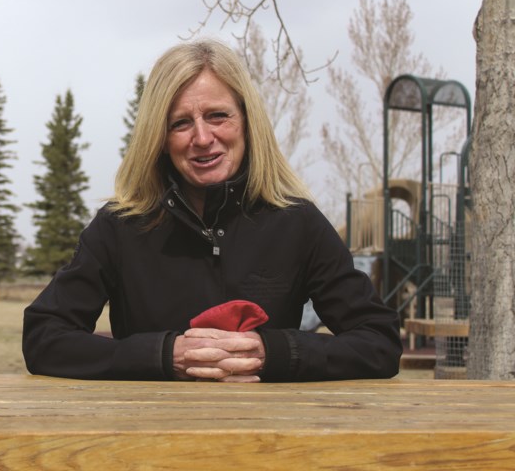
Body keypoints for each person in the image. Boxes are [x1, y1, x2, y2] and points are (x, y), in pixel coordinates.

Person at [22, 39, 402, 382]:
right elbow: (44, 337)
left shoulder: (297, 222)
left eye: (218, 116)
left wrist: (271, 353)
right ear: (158, 138)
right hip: (147, 442)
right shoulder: (119, 226)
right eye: (181, 123)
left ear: (248, 122)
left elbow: (379, 342)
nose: (202, 139)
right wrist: (163, 355)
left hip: (267, 442)